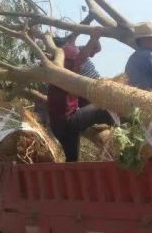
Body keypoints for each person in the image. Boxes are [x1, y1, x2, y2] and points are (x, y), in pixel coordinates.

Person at [48, 30, 116, 162]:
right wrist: (94, 37)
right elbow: (83, 55)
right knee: (104, 106)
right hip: (69, 121)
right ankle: (120, 134)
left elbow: (90, 51)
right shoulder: (66, 62)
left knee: (72, 161)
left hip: (57, 125)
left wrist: (94, 38)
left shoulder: (55, 69)